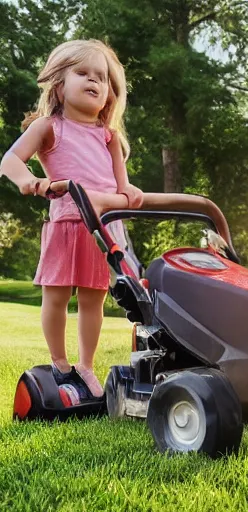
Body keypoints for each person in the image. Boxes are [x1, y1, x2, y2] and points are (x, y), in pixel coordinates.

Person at [0, 39, 144, 400]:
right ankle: (59, 363)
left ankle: (86, 366)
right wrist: (30, 181)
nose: (94, 81)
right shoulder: (49, 126)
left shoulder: (110, 137)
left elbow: (122, 185)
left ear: (110, 94)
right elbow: (10, 161)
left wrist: (130, 193)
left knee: (94, 300)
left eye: (102, 77)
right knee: (57, 296)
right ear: (60, 86)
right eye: (82, 73)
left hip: (102, 227)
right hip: (66, 223)